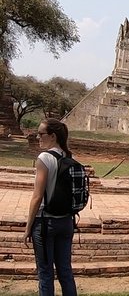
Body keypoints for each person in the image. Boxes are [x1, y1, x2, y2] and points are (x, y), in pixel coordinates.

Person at [23, 118, 77, 296]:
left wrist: (28, 226)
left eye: (41, 134)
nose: (38, 137)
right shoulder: (69, 157)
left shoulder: (44, 158)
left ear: (52, 136)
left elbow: (37, 196)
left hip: (45, 222)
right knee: (65, 272)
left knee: (45, 273)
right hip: (66, 222)